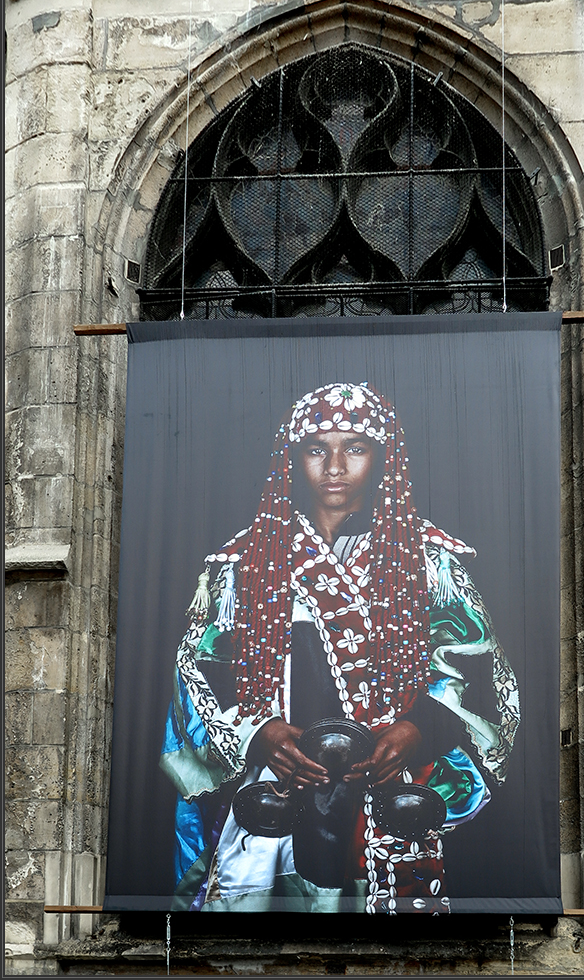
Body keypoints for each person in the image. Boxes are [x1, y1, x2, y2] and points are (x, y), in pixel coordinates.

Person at [160, 382, 520, 913]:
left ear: (382, 459)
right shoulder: (240, 565)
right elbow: (197, 669)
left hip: (394, 783)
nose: (334, 465)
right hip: (275, 792)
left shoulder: (427, 560)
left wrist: (420, 726)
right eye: (315, 449)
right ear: (291, 460)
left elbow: (474, 663)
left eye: (354, 447)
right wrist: (257, 733)